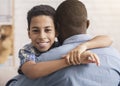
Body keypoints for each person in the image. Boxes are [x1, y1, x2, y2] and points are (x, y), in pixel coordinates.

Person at [6, 4, 113, 86]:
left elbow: (108, 39)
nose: (42, 36)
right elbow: (32, 71)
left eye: (47, 30)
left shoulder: (61, 45)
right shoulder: (27, 50)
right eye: (35, 31)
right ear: (29, 33)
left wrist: (83, 46)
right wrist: (73, 60)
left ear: (56, 32)